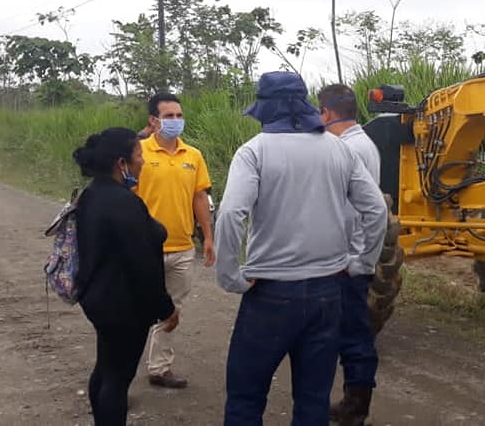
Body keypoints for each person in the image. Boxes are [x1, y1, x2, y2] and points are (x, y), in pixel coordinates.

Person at [214, 71, 388, 425]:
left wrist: (231, 277)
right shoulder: (339, 148)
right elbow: (376, 210)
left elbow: (231, 214)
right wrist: (362, 263)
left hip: (270, 293)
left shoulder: (255, 151)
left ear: (266, 109)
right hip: (328, 291)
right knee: (312, 400)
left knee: (247, 396)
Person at [71, 127, 179, 426]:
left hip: (98, 298)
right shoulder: (124, 203)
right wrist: (166, 308)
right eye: (139, 155)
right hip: (123, 307)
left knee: (105, 369)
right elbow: (142, 265)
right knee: (117, 379)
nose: (143, 161)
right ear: (122, 163)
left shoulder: (92, 194)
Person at [134, 93, 214, 389]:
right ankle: (119, 375)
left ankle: (159, 368)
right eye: (169, 116)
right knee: (135, 312)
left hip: (182, 247)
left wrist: (208, 237)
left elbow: (199, 197)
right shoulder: (138, 154)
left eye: (179, 115)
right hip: (144, 249)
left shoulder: (193, 156)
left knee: (172, 311)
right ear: (153, 121)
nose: (176, 121)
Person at [318, 83, 382, 426]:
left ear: (326, 113)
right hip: (355, 254)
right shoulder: (364, 143)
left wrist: (358, 261)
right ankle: (354, 402)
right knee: (352, 331)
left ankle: (355, 409)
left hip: (347, 258)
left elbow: (354, 210)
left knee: (353, 334)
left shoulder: (345, 149)